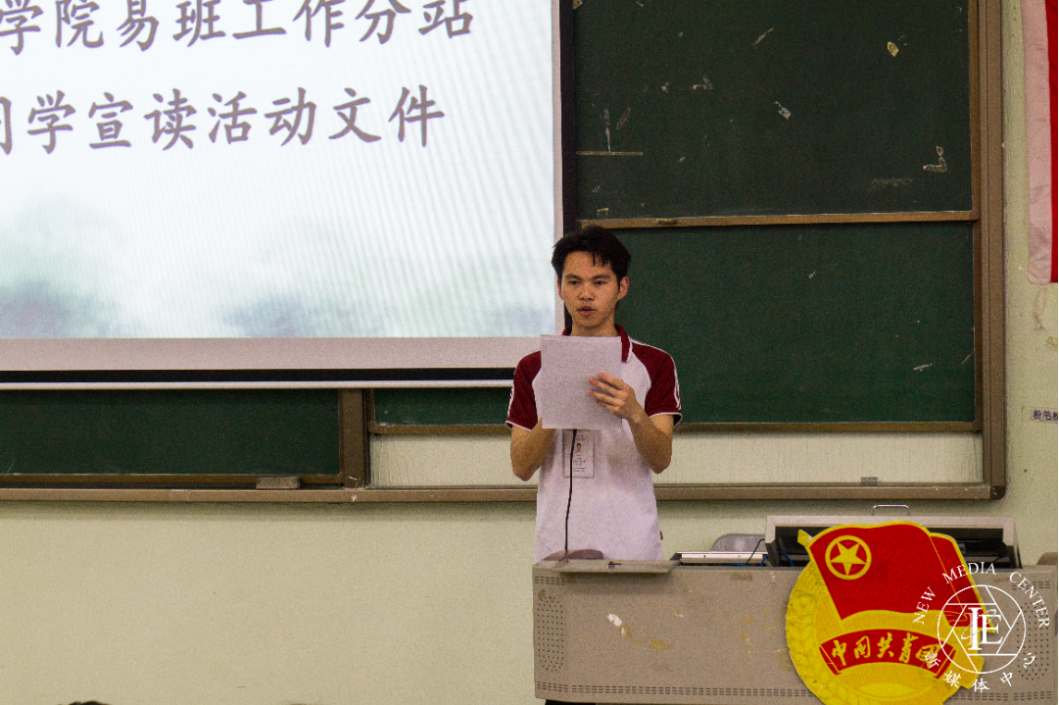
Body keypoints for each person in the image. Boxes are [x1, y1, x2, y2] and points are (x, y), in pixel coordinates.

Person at [507, 225, 681, 564]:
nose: (586, 294)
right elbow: (521, 466)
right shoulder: (532, 367)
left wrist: (634, 413)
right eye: (574, 282)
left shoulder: (654, 363)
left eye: (599, 282)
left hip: (632, 547)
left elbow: (661, 459)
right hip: (557, 547)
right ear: (559, 288)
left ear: (621, 287)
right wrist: (556, 410)